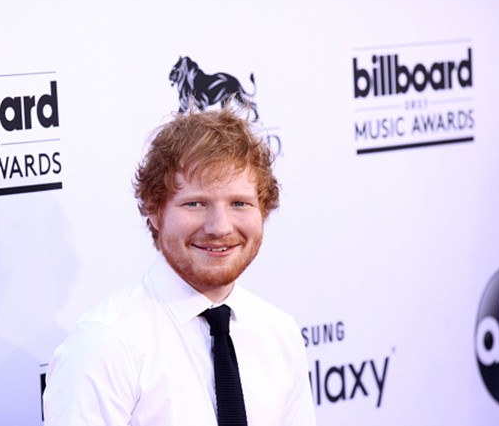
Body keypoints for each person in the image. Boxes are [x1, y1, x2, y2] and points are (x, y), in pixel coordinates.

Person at [43, 105, 316, 425]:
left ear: (264, 210)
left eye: (239, 203)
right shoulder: (104, 347)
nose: (220, 227)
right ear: (153, 210)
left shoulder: (279, 333)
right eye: (196, 204)